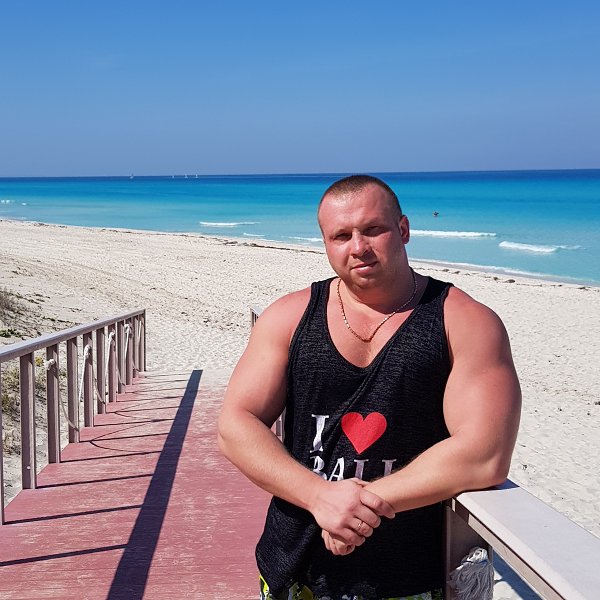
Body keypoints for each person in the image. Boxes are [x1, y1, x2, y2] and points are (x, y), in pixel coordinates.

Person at [217, 175, 521, 600]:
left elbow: (485, 453)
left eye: (373, 229)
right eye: (341, 236)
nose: (358, 247)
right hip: (294, 565)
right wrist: (319, 496)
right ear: (326, 243)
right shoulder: (288, 317)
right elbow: (236, 424)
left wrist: (354, 506)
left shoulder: (465, 322)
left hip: (415, 578)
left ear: (403, 229)